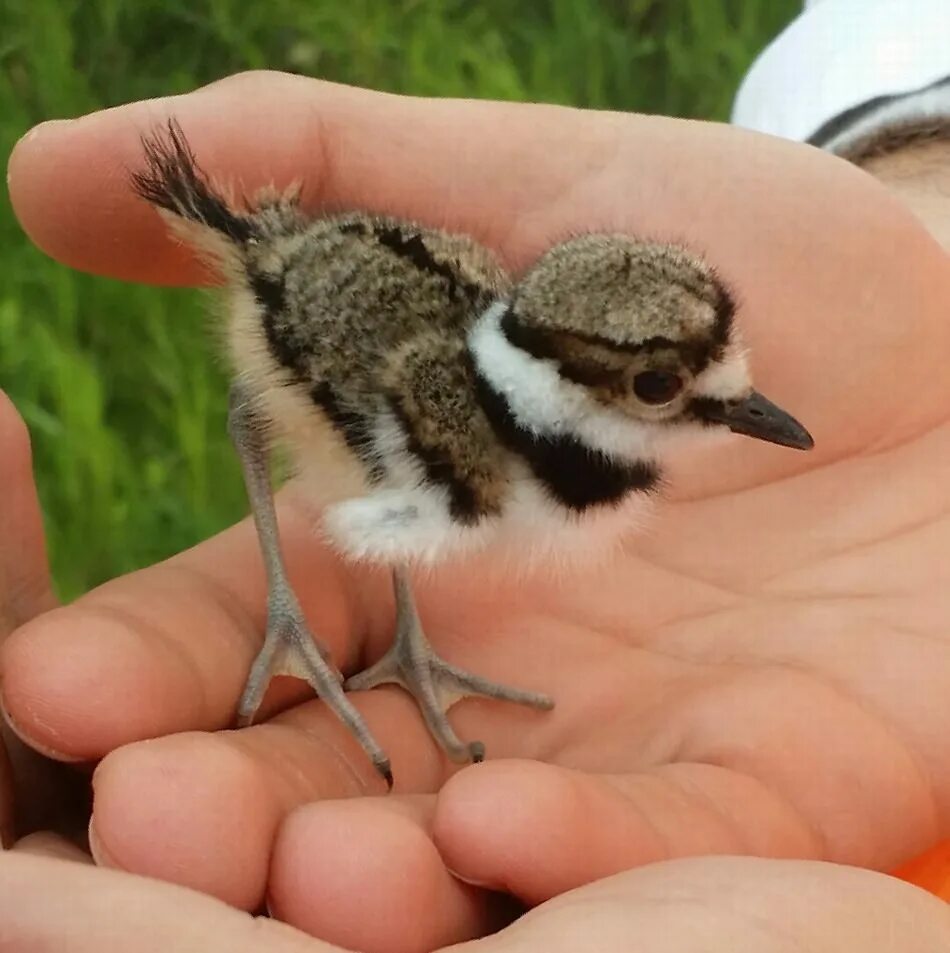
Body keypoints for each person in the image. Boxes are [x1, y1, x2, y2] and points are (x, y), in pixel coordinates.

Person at [2, 5, 949, 950]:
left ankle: (409, 642)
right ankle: (305, 616)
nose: (736, 406)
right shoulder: (461, 426)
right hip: (329, 316)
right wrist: (285, 606)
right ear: (566, 383)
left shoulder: (546, 442)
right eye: (661, 387)